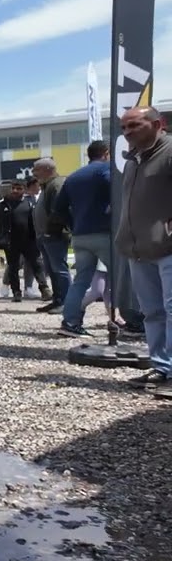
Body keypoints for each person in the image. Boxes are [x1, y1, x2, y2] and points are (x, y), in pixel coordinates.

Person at [113, 106, 172, 389]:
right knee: (152, 312)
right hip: (138, 249)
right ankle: (162, 367)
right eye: (124, 128)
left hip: (167, 246)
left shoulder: (169, 152)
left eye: (134, 125)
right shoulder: (133, 160)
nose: (127, 133)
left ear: (157, 123)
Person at [55, 140, 111, 336]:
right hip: (105, 233)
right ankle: (132, 322)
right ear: (106, 153)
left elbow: (59, 208)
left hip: (80, 235)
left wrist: (73, 223)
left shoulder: (73, 177)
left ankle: (70, 323)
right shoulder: (106, 170)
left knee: (80, 281)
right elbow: (117, 192)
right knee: (124, 277)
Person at [0, 178, 47, 303]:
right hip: (11, 243)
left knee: (37, 265)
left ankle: (44, 289)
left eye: (19, 188)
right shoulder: (2, 205)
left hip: (29, 241)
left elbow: (36, 221)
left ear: (24, 190)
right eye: (13, 188)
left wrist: (38, 237)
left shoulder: (30, 203)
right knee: (13, 268)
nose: (15, 191)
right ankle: (16, 292)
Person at [32, 157, 70, 313]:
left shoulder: (56, 185)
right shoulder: (46, 186)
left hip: (55, 236)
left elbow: (59, 212)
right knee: (52, 270)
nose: (34, 173)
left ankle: (66, 303)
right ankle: (57, 299)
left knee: (59, 269)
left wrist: (50, 231)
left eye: (36, 169)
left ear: (47, 169)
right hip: (45, 236)